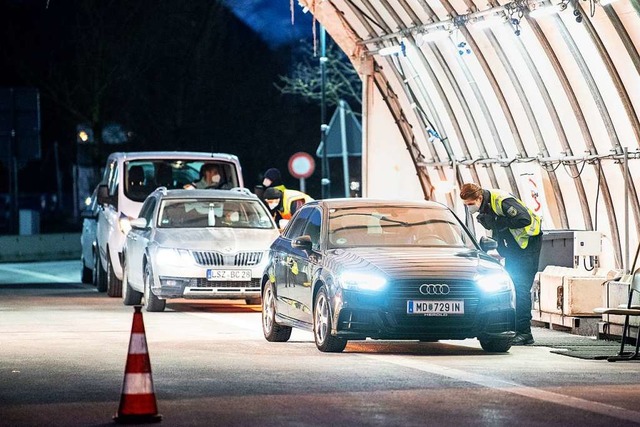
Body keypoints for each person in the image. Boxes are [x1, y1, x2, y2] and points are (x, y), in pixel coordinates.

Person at [460, 183, 543, 346]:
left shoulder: (501, 200)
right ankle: (514, 329)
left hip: (528, 246)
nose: (469, 208)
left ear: (479, 197)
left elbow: (524, 218)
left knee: (520, 287)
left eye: (470, 204)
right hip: (514, 249)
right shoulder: (485, 207)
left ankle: (525, 333)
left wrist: (501, 223)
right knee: (512, 286)